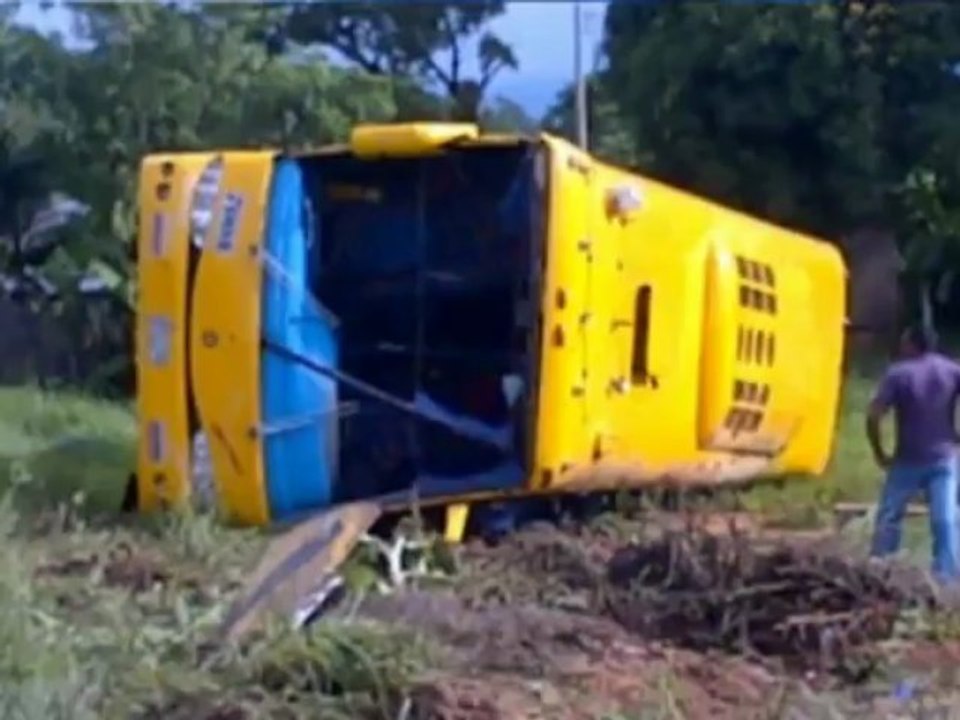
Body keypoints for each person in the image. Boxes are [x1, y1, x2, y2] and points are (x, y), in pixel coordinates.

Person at [866, 324, 960, 583]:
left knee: (889, 517)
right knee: (946, 519)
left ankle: (880, 571)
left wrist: (879, 452)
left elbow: (874, 415)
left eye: (904, 342)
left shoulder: (899, 373)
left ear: (911, 345)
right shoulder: (952, 370)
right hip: (944, 457)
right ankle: (947, 580)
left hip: (907, 458)